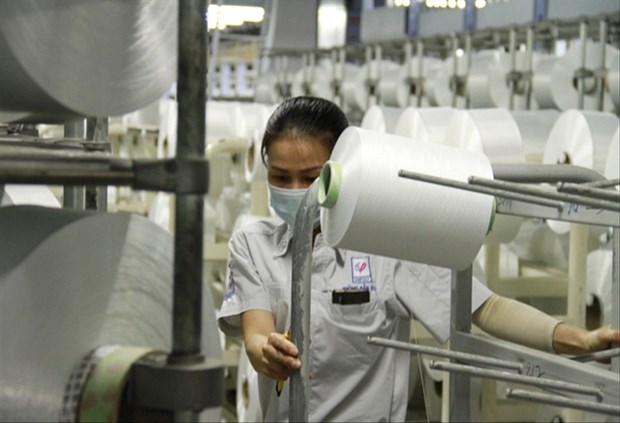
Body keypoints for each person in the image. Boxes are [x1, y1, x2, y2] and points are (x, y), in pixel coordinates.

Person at [216, 96, 620, 422]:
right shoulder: (254, 244)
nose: (296, 190)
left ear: (341, 170)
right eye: (281, 178)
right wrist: (264, 350)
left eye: (309, 177)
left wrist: (578, 339)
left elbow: (485, 308)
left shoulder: (386, 245)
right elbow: (255, 333)